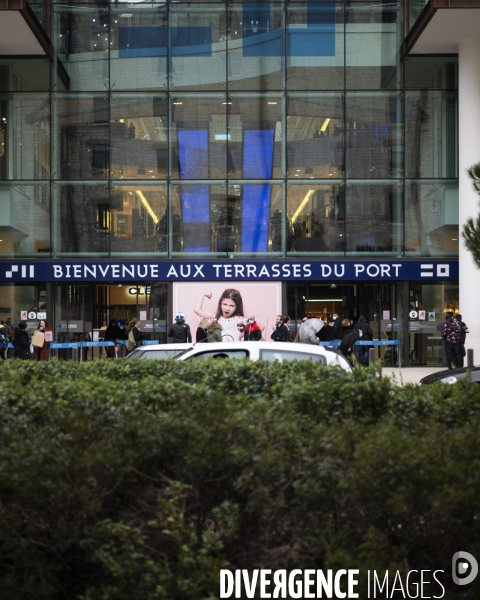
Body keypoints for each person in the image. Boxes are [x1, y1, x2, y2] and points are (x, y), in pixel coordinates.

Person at [194, 289, 264, 342]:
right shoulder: (215, 317)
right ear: (220, 303)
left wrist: (245, 334)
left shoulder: (238, 319)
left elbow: (261, 326)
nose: (227, 308)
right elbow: (197, 310)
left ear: (237, 307)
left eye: (232, 306)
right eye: (224, 304)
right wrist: (203, 293)